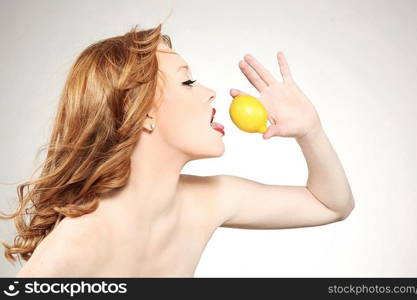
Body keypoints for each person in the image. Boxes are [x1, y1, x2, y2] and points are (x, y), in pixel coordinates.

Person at [1, 23, 354, 277]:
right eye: (188, 81)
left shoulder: (207, 201)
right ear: (144, 112)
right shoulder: (77, 244)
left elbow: (331, 205)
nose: (210, 92)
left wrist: (310, 131)